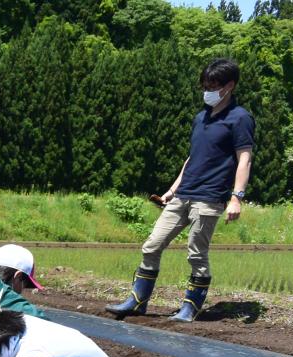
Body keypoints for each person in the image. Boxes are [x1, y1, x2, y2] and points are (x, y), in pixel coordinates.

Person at [107, 58, 254, 323]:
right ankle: (137, 300)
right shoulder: (201, 118)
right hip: (184, 194)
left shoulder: (240, 118)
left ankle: (190, 307)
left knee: (196, 253)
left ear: (229, 86)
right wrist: (172, 190)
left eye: (213, 85)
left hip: (209, 197)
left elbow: (245, 158)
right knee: (151, 245)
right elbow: (192, 158)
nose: (207, 90)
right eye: (205, 84)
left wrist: (236, 197)